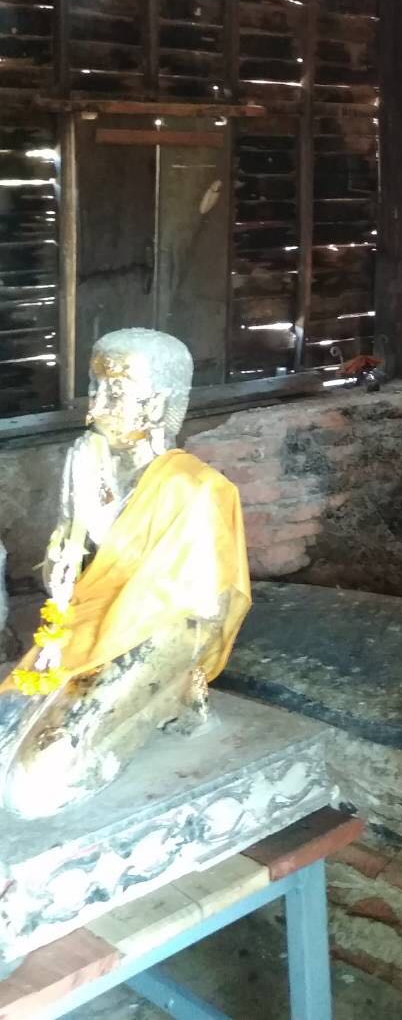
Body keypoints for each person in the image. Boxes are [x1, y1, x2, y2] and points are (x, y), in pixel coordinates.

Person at [0, 328, 250, 819]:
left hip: (160, 634)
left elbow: (203, 612)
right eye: (94, 389)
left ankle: (161, 704)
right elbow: (67, 574)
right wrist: (69, 546)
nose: (94, 408)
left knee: (35, 784)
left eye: (115, 393)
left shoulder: (198, 489)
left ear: (157, 405)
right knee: (8, 725)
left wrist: (135, 659)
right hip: (91, 619)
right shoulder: (87, 461)